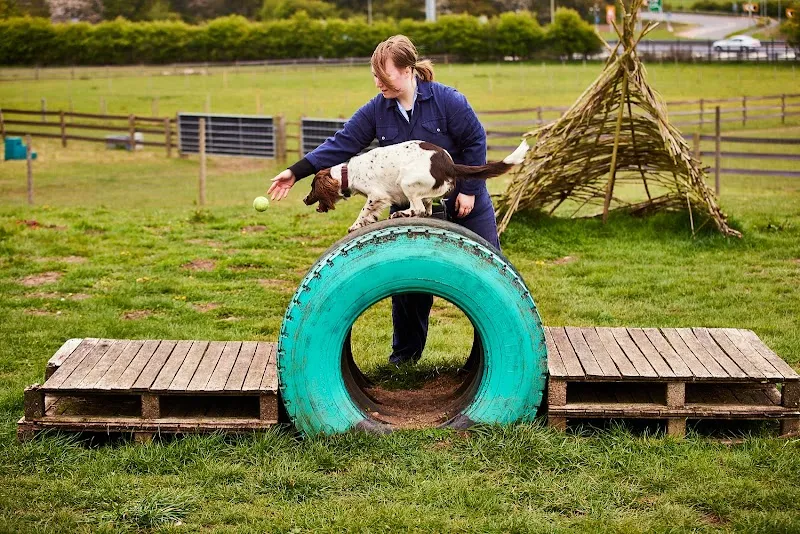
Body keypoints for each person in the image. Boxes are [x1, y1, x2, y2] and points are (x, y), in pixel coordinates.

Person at [268, 34, 499, 365]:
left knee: (489, 282)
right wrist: (296, 172)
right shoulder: (377, 110)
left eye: (383, 75)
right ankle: (404, 361)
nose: (378, 83)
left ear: (407, 70)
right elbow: (342, 143)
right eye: (374, 76)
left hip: (464, 203)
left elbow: (475, 139)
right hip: (408, 208)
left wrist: (470, 191)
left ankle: (488, 360)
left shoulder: (448, 101)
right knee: (408, 284)